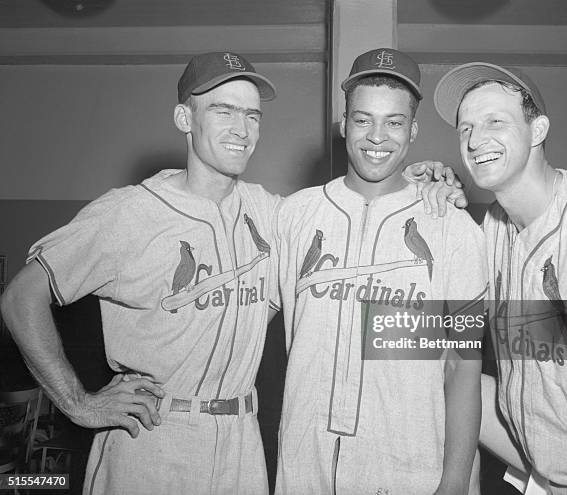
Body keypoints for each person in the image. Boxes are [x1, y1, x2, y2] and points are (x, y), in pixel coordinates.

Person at [0, 52, 282, 494]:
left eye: (252, 115)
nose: (241, 130)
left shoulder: (268, 210)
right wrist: (79, 405)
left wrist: (425, 183)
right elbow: (21, 298)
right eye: (222, 111)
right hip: (153, 434)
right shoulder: (130, 212)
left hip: (240, 441)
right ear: (184, 118)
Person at [273, 48, 486, 494]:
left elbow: (462, 368)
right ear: (344, 124)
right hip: (305, 465)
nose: (377, 136)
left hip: (406, 470)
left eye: (394, 121)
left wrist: (454, 484)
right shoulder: (294, 216)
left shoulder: (452, 227)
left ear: (413, 131)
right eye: (363, 119)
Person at [433, 62, 567, 494]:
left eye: (496, 121)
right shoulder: (491, 230)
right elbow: (422, 335)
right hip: (540, 471)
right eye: (465, 128)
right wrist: (412, 198)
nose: (475, 140)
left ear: (537, 130)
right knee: (430, 361)